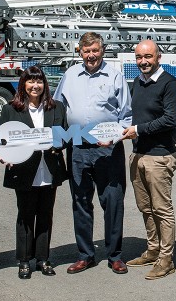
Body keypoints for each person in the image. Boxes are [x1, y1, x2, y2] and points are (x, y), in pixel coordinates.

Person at [53, 32, 132, 275]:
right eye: (86, 51)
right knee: (81, 202)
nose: (91, 55)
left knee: (113, 202)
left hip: (107, 149)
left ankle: (115, 256)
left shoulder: (115, 76)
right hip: (77, 148)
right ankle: (85, 255)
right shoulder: (69, 76)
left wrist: (115, 136)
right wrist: (58, 139)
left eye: (95, 50)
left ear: (102, 51)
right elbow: (58, 108)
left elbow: (126, 115)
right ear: (80, 52)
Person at [0, 66, 69, 279]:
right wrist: (4, 156)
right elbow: (2, 140)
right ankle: (24, 260)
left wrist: (57, 144)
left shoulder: (57, 107)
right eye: (30, 81)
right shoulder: (11, 109)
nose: (35, 86)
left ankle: (43, 259)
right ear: (23, 85)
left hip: (49, 169)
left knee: (45, 215)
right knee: (26, 216)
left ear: (45, 85)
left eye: (39, 81)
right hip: (24, 170)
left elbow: (64, 135)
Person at [121, 39, 176, 280]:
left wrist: (138, 130)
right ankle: (153, 249)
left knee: (161, 209)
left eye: (148, 57)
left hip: (160, 156)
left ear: (159, 57)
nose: (143, 62)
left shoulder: (170, 84)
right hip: (138, 154)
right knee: (145, 207)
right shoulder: (137, 82)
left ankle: (166, 260)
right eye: (139, 57)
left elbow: (170, 119)